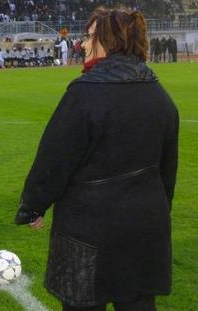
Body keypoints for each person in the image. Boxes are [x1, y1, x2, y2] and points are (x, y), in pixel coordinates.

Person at [15, 6, 178, 311]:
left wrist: (33, 205)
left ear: (109, 40)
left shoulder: (84, 93)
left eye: (90, 37)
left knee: (83, 303)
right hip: (145, 227)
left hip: (87, 232)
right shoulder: (160, 95)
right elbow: (166, 175)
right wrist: (155, 212)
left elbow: (54, 159)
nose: (84, 44)